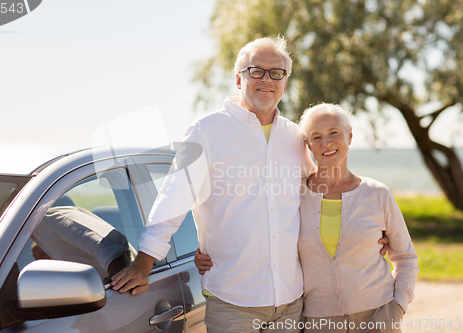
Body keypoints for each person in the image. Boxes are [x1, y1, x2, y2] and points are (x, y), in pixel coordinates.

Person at [111, 37, 388, 332]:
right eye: (256, 71)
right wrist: (143, 265)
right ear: (238, 79)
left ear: (285, 81)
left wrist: (363, 234)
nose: (267, 79)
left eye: (276, 73)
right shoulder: (206, 131)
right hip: (232, 302)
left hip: (291, 302)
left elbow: (319, 191)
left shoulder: (294, 138)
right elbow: (172, 200)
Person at [197, 103, 418, 332]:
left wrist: (398, 306)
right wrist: (208, 248)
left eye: (334, 133)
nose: (326, 143)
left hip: (378, 315)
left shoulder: (376, 194)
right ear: (308, 146)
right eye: (316, 137)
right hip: (318, 322)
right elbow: (257, 222)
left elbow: (406, 257)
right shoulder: (295, 194)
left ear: (349, 136)